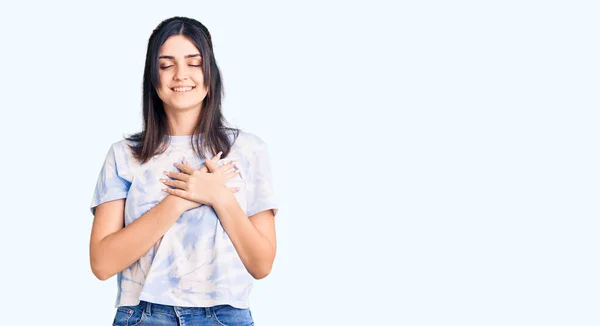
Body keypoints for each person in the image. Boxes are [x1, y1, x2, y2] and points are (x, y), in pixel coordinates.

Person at [89, 16, 278, 326]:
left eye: (194, 63)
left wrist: (219, 196)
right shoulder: (123, 155)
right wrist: (182, 198)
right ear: (153, 78)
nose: (181, 75)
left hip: (225, 316)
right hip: (143, 315)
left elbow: (261, 264)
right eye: (166, 65)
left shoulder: (248, 150)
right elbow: (102, 263)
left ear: (210, 74)